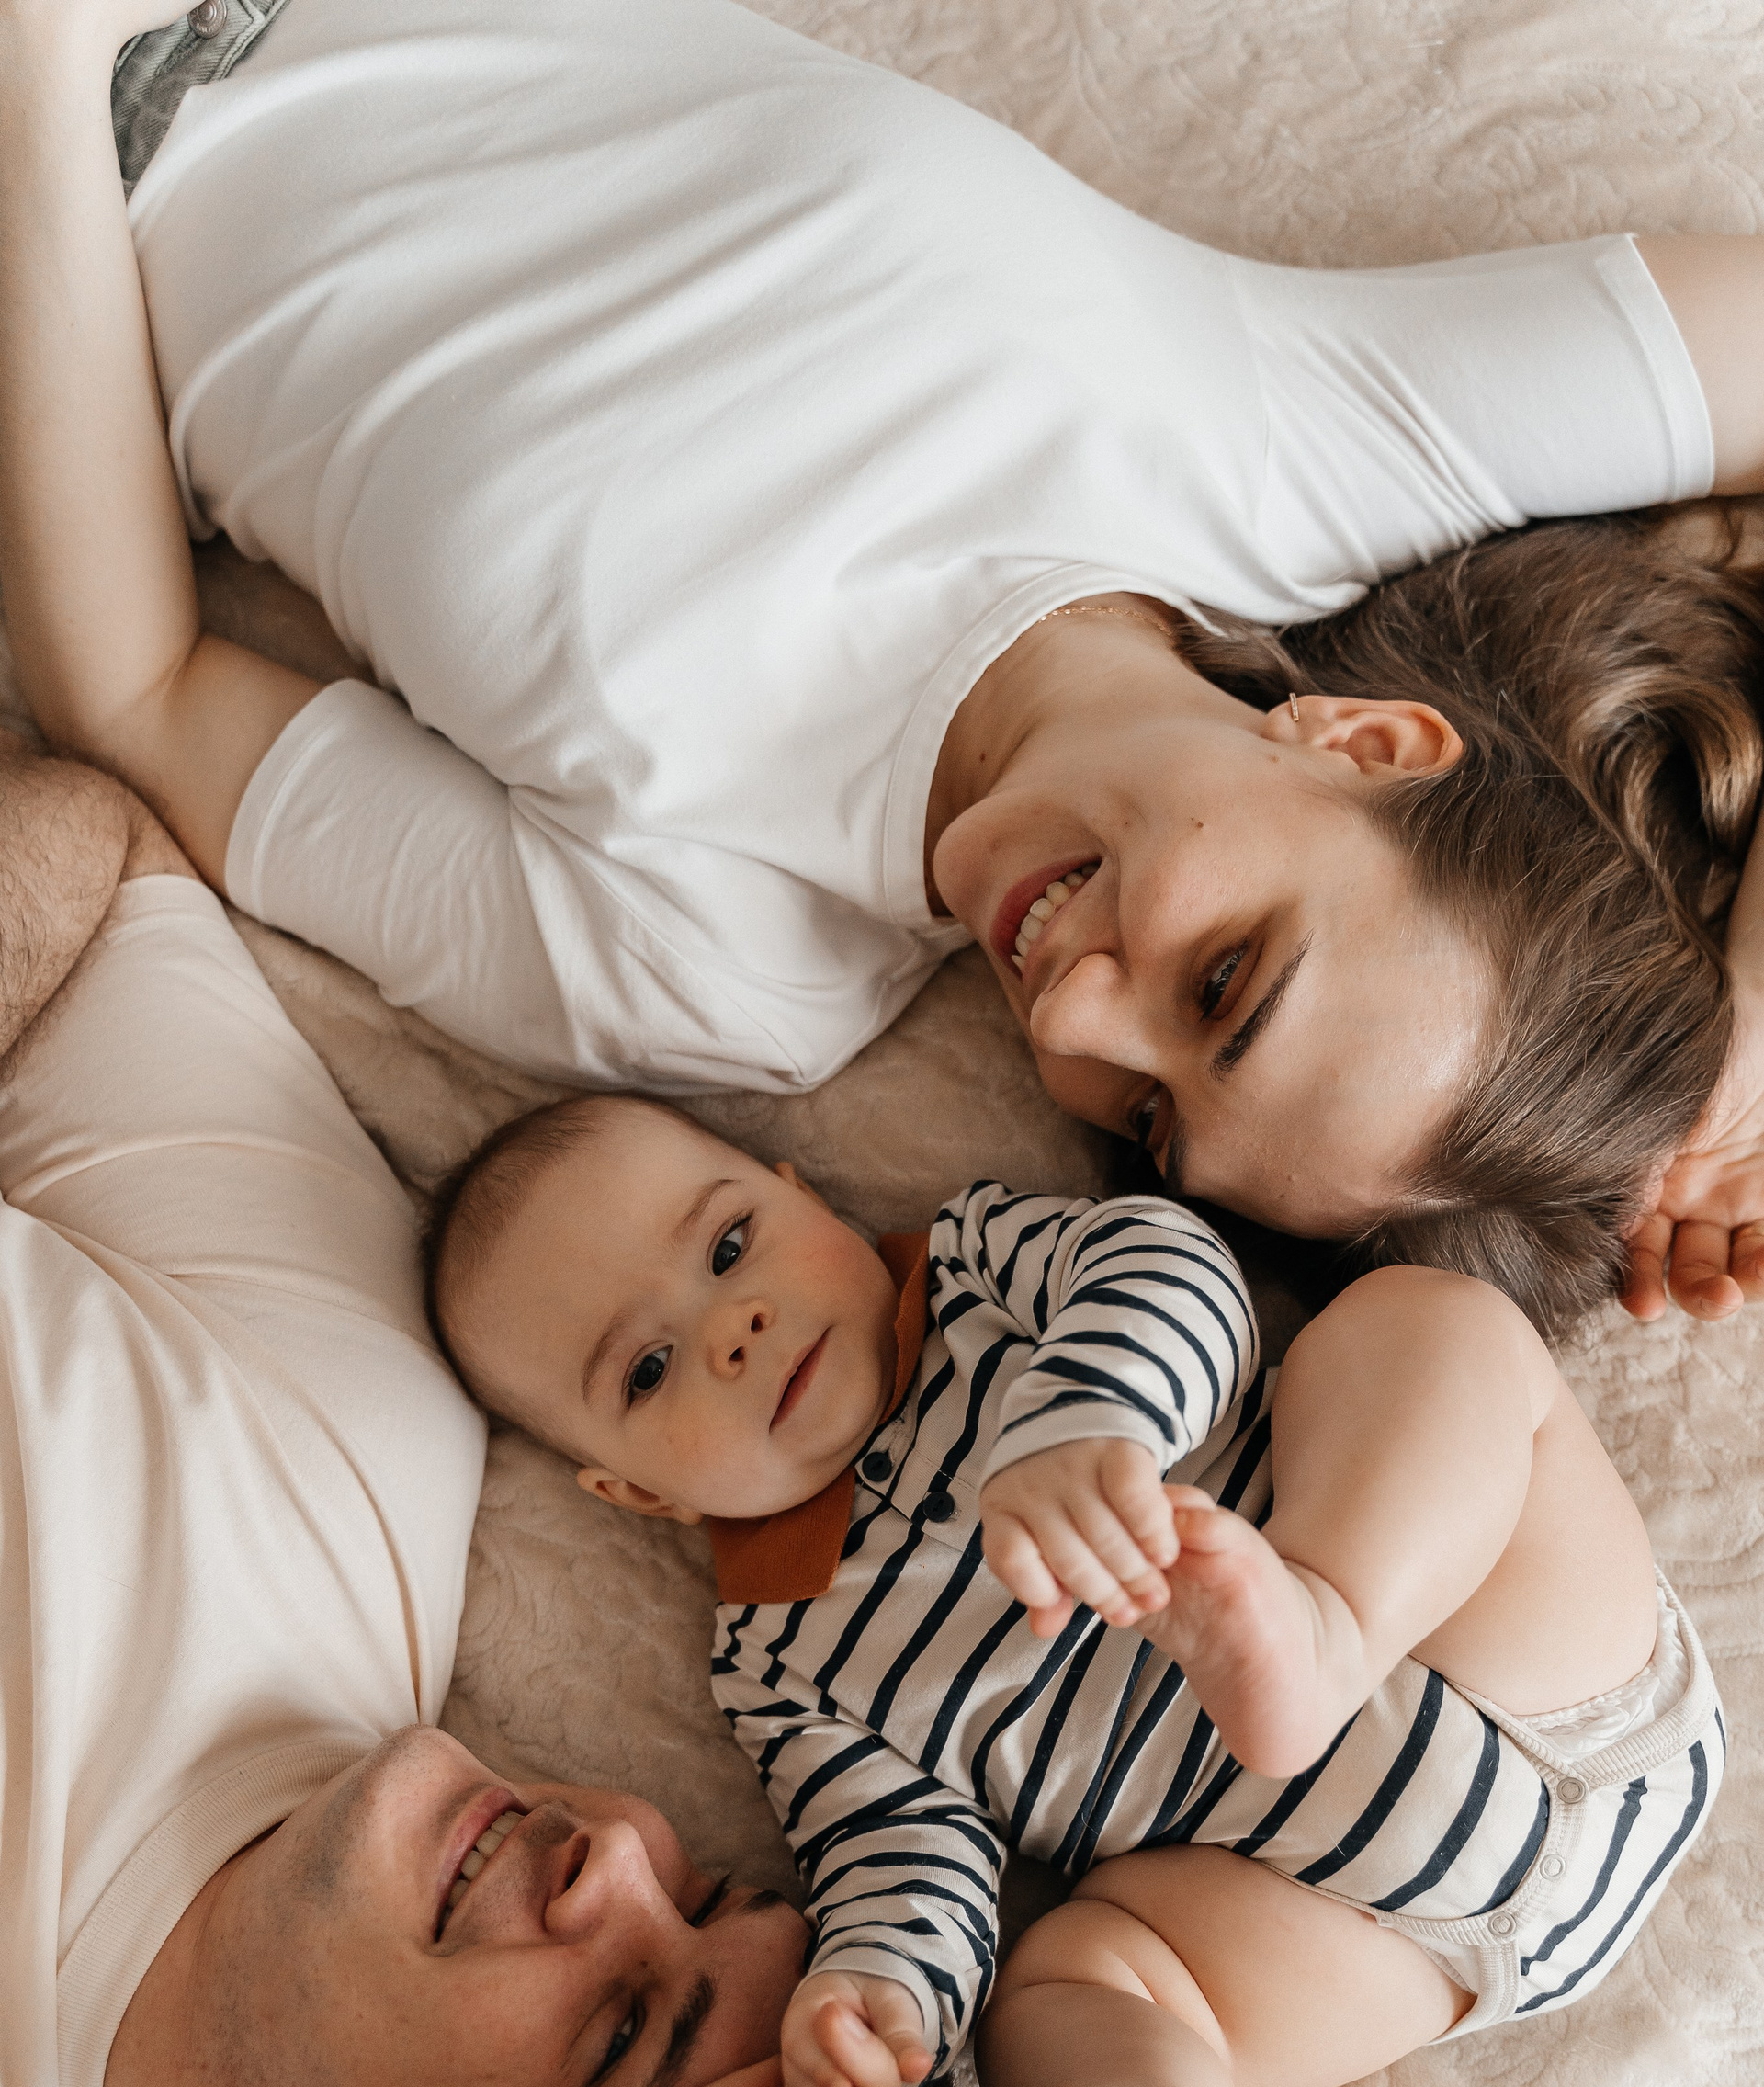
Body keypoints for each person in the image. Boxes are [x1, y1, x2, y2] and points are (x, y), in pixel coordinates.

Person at [5, 2, 1764, 1347]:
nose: (1069, 1024)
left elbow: (141, 696)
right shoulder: (1298, 452)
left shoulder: (716, 970)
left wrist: (45, 64)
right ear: (1365, 743)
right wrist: (1749, 1028)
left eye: (1153, 1118)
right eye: (1224, 979)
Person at [0, 738, 931, 2087]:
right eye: (712, 1884)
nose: (623, 1857)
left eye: (623, 2030)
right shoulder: (351, 1443)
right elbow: (91, 864)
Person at [421, 1092, 1724, 2087]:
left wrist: (1089, 1420)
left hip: (1517, 1645)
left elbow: (1180, 1274)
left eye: (728, 1245)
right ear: (637, 1494)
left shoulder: (978, 1267)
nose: (734, 1328)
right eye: (649, 1370)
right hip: (1356, 1937)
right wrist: (876, 1996)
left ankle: (1322, 1620)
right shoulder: (780, 1663)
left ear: (799, 1190)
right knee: (1059, 1979)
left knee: (1426, 1330)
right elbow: (897, 1851)